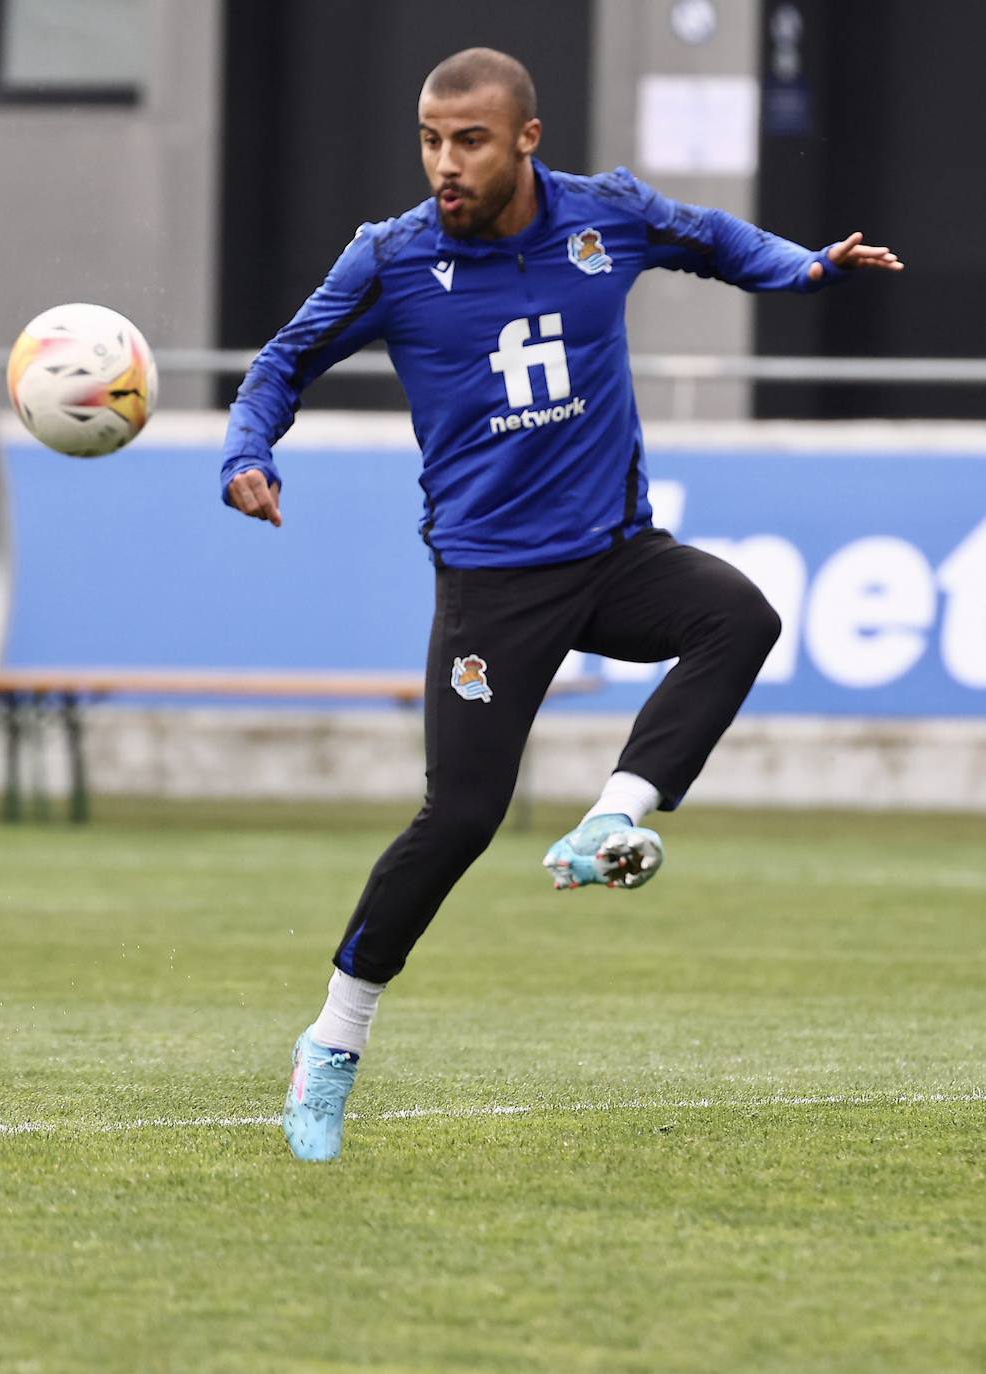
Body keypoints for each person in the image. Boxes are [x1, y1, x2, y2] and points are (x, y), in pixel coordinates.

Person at [220, 48, 903, 1162]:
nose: (446, 163)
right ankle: (331, 1042)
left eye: (470, 140)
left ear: (526, 139)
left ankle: (612, 817)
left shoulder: (607, 217)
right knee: (460, 821)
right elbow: (281, 363)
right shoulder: (389, 259)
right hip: (490, 590)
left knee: (739, 616)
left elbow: (718, 242)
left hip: (615, 556)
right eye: (432, 141)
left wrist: (808, 271)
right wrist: (246, 452)